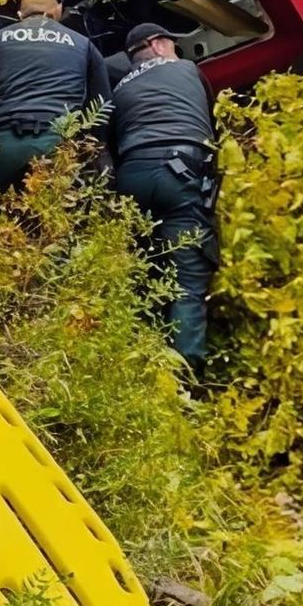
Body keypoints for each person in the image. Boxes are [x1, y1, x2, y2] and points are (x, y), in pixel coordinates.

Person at [108, 21, 218, 372]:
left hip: (133, 174)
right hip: (183, 171)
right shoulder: (188, 69)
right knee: (187, 276)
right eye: (172, 43)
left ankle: (133, 361)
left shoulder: (120, 87)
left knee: (139, 272)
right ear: (157, 44)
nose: (176, 49)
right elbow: (212, 121)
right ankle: (186, 374)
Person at [0, 0, 111, 191]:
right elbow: (102, 106)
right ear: (58, 10)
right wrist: (94, 150)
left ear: (20, 14)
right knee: (48, 220)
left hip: (3, 145)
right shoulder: (84, 45)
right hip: (57, 146)